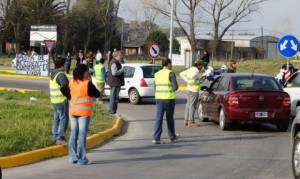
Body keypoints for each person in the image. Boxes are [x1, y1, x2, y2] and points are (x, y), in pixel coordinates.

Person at [61, 64, 101, 165]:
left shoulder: (72, 82)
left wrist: (71, 97)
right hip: (83, 113)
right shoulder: (87, 83)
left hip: (73, 111)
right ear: (84, 72)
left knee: (73, 134)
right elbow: (97, 93)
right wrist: (90, 80)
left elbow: (63, 89)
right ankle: (82, 159)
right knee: (82, 135)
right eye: (87, 71)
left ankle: (72, 157)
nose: (88, 72)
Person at [153, 58, 179, 144]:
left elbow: (155, 87)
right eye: (171, 64)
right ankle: (172, 136)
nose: (171, 65)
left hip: (159, 98)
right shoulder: (171, 73)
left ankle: (156, 138)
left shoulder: (157, 74)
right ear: (168, 64)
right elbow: (175, 87)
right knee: (170, 118)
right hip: (168, 98)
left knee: (159, 118)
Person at [49, 57, 69, 146]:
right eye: (65, 63)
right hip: (61, 100)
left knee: (56, 119)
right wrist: (70, 97)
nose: (66, 65)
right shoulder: (61, 75)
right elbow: (66, 88)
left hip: (54, 100)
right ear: (62, 65)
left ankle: (55, 136)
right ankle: (60, 138)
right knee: (64, 118)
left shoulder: (53, 73)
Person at [180, 59, 204, 127]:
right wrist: (198, 80)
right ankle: (191, 121)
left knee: (188, 105)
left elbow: (181, 74)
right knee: (192, 106)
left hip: (188, 89)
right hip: (194, 90)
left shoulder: (190, 69)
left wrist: (187, 81)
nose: (201, 67)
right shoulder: (196, 71)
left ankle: (186, 121)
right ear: (198, 65)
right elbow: (194, 78)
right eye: (201, 66)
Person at [107, 50, 125, 115]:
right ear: (117, 56)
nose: (121, 57)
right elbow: (114, 73)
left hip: (115, 82)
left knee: (114, 97)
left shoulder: (115, 62)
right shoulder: (114, 62)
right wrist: (122, 70)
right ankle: (112, 111)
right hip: (115, 82)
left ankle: (113, 111)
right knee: (114, 97)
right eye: (121, 55)